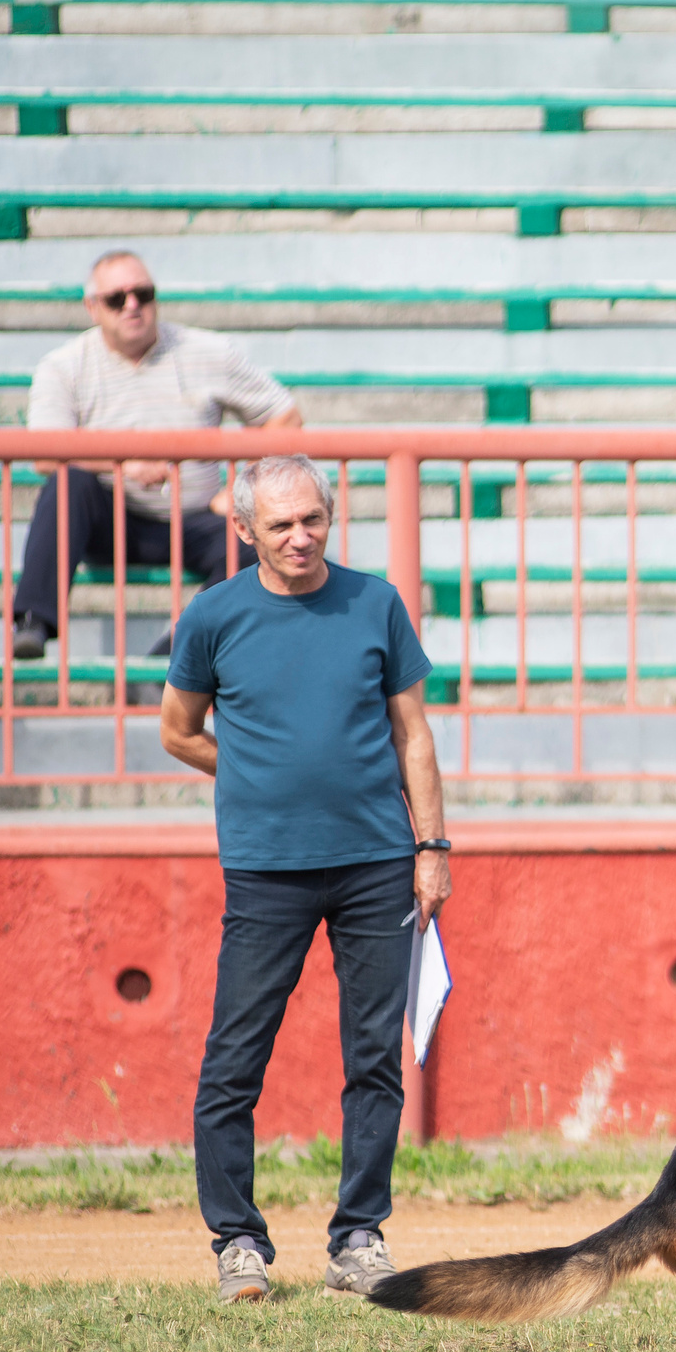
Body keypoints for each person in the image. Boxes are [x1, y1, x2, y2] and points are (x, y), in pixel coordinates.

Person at [160, 455, 449, 1303]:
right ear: (244, 528)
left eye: (313, 519)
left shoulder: (375, 602)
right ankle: (237, 1244)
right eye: (280, 524)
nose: (300, 536)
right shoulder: (213, 615)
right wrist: (249, 770)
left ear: (330, 516)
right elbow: (179, 732)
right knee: (234, 1061)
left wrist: (432, 847)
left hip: (377, 865)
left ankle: (359, 1238)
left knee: (374, 1064)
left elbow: (415, 735)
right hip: (265, 870)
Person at [14, 250, 301, 662]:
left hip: (197, 516)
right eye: (117, 298)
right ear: (92, 307)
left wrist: (242, 487)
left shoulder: (208, 351)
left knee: (258, 542)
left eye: (143, 294)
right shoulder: (64, 366)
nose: (132, 306)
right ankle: (32, 622)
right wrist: (124, 463)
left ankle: (175, 654)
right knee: (67, 482)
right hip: (109, 518)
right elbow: (44, 452)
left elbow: (286, 419)